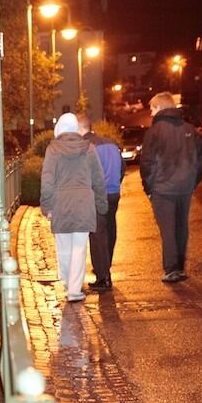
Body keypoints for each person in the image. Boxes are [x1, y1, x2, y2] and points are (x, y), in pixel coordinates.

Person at [41, 113, 108, 303]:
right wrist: (101, 205)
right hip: (83, 204)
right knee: (79, 247)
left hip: (60, 204)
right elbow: (98, 180)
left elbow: (47, 181)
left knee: (63, 247)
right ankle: (75, 290)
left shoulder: (52, 150)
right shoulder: (89, 148)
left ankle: (67, 282)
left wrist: (47, 206)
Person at [140, 91, 202, 283]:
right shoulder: (190, 129)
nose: (151, 113)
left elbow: (147, 163)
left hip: (163, 188)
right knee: (181, 227)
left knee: (167, 229)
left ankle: (171, 269)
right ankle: (180, 267)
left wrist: (149, 188)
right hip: (185, 187)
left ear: (160, 107)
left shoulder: (154, 132)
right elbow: (200, 159)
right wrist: (193, 182)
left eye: (152, 108)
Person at [77, 114, 125, 291]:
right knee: (110, 230)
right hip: (113, 193)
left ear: (79, 129)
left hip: (96, 196)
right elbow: (122, 167)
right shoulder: (110, 143)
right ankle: (106, 267)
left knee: (97, 235)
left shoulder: (85, 147)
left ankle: (103, 277)